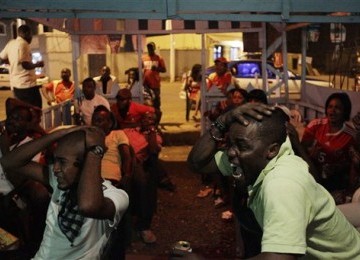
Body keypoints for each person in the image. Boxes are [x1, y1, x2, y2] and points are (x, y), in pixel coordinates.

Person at [0, 126, 129, 259]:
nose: (55, 169)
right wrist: (60, 133)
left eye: (62, 162)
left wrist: (95, 151)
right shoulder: (58, 181)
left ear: (86, 163)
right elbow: (9, 162)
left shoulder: (115, 196)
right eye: (55, 160)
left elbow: (88, 206)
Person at [0, 104, 49, 258]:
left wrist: (5, 149)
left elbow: (17, 180)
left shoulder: (30, 146)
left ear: (28, 125)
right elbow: (10, 100)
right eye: (11, 117)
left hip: (10, 198)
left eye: (18, 119)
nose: (12, 121)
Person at [301, 92, 359, 204]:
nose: (332, 111)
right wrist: (310, 156)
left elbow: (354, 166)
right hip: (312, 177)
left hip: (337, 184)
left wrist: (349, 193)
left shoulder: (350, 135)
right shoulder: (315, 125)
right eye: (330, 107)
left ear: (345, 111)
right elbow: (301, 150)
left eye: (337, 108)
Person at [0, 24, 44, 108]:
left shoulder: (11, 43)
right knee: (36, 109)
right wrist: (38, 64)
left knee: (22, 110)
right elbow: (25, 64)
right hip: (27, 85)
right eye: (30, 34)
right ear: (27, 33)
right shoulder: (24, 44)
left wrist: (13, 62)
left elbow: (2, 58)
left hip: (15, 86)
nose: (31, 37)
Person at [142, 42, 166, 113]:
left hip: (155, 84)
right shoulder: (143, 58)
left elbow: (164, 70)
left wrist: (157, 68)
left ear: (154, 48)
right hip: (145, 84)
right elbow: (140, 69)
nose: (150, 49)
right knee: (146, 101)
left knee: (156, 101)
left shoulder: (159, 58)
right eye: (149, 47)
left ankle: (157, 116)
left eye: (151, 48)